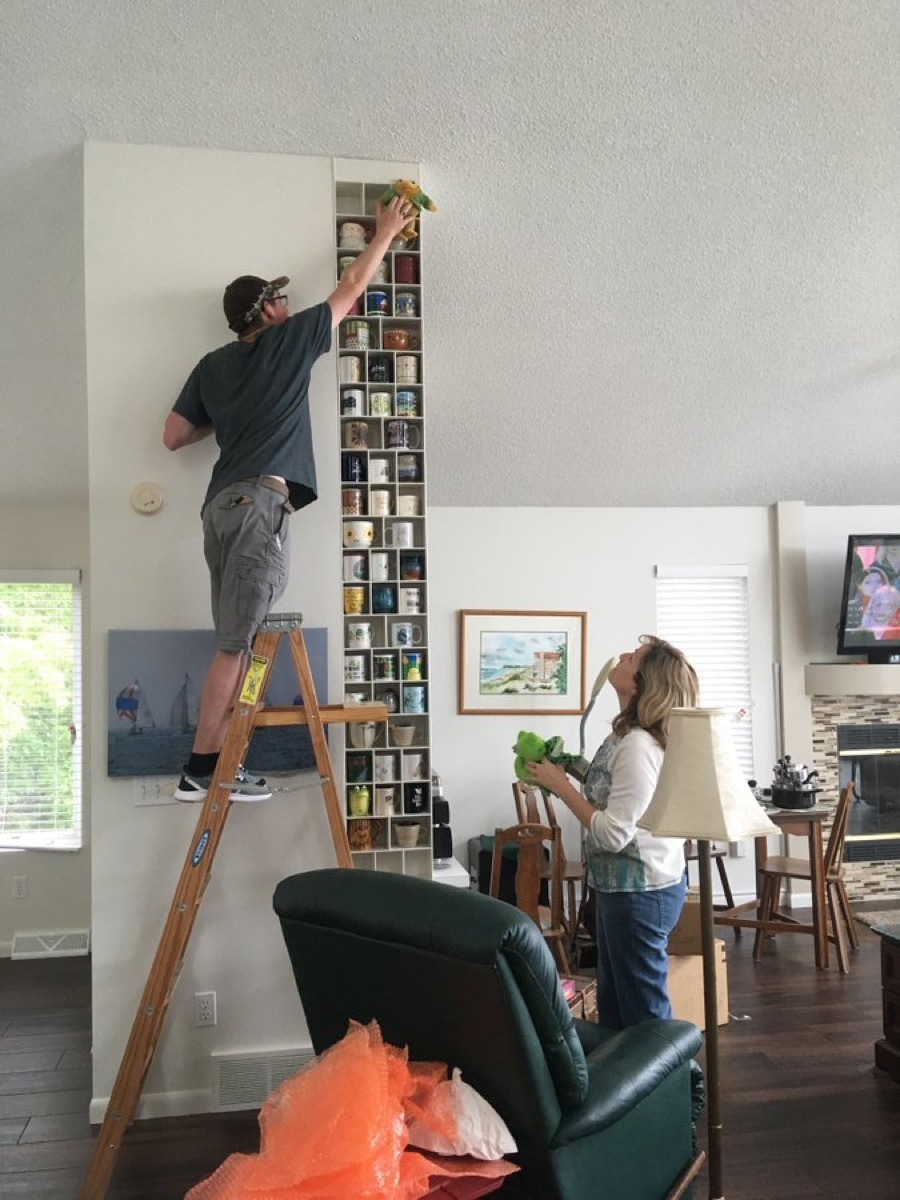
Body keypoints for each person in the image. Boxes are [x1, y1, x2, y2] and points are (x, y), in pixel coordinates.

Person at [163, 195, 416, 802]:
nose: (287, 302)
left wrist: (226, 420)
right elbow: (354, 284)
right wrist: (384, 232)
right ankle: (203, 768)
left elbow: (173, 436)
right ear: (268, 312)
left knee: (236, 637)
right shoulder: (289, 340)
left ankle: (207, 764)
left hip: (219, 507)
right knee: (236, 644)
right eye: (279, 298)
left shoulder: (213, 364)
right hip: (259, 506)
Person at [525, 635, 699, 1029]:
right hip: (624, 889)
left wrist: (561, 787)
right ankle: (632, 1087)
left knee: (644, 1014)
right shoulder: (626, 734)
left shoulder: (638, 746)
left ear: (640, 685)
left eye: (633, 658)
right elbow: (610, 793)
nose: (621, 656)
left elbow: (614, 833)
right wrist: (569, 767)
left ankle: (678, 1087)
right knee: (618, 1005)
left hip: (641, 893)